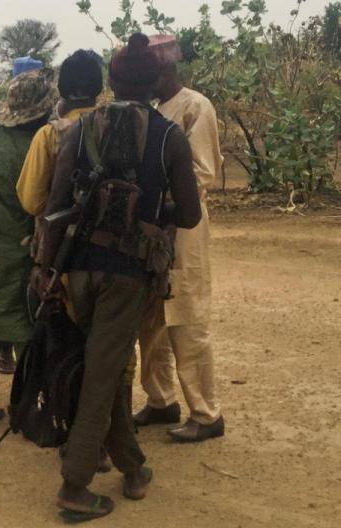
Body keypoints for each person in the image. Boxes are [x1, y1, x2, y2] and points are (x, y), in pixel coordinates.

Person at [40, 33, 202, 521]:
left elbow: (54, 207)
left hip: (78, 268)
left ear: (111, 81)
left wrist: (45, 269)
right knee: (102, 373)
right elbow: (190, 215)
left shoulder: (79, 131)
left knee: (103, 367)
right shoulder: (169, 137)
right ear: (155, 83)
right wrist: (148, 211)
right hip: (127, 275)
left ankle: (133, 467)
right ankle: (74, 486)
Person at [133, 35, 226, 442]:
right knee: (151, 318)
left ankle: (206, 414)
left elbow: (202, 173)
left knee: (187, 316)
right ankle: (161, 400)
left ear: (166, 69)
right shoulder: (155, 109)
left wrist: (158, 200)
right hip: (156, 228)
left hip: (184, 228)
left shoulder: (195, 106)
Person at [0, 69, 57, 425]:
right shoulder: (33, 145)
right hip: (19, 245)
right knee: (24, 324)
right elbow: (37, 201)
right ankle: (26, 404)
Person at [16, 49, 105, 217]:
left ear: (62, 89)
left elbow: (32, 202)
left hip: (63, 230)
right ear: (99, 88)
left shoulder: (48, 135)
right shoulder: (112, 125)